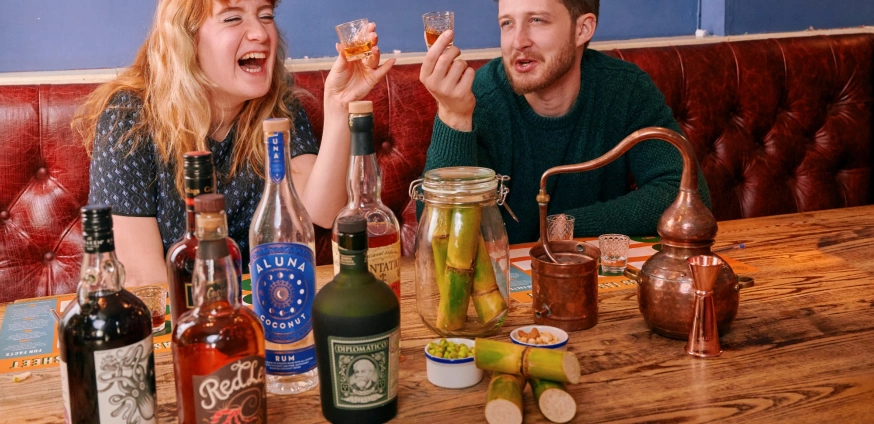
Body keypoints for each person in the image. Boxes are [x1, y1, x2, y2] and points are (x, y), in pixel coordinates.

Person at [73, 0, 394, 286]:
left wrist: (338, 107)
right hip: (184, 319)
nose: (260, 33)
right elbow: (146, 281)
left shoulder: (278, 106)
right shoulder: (129, 116)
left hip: (266, 306)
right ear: (186, 38)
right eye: (232, 18)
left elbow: (321, 211)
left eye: (265, 15)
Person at [419, 0, 710, 243]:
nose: (518, 41)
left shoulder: (625, 89)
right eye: (507, 23)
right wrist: (453, 116)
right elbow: (439, 234)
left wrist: (563, 227)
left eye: (536, 20)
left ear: (582, 29)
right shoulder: (478, 98)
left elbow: (688, 198)